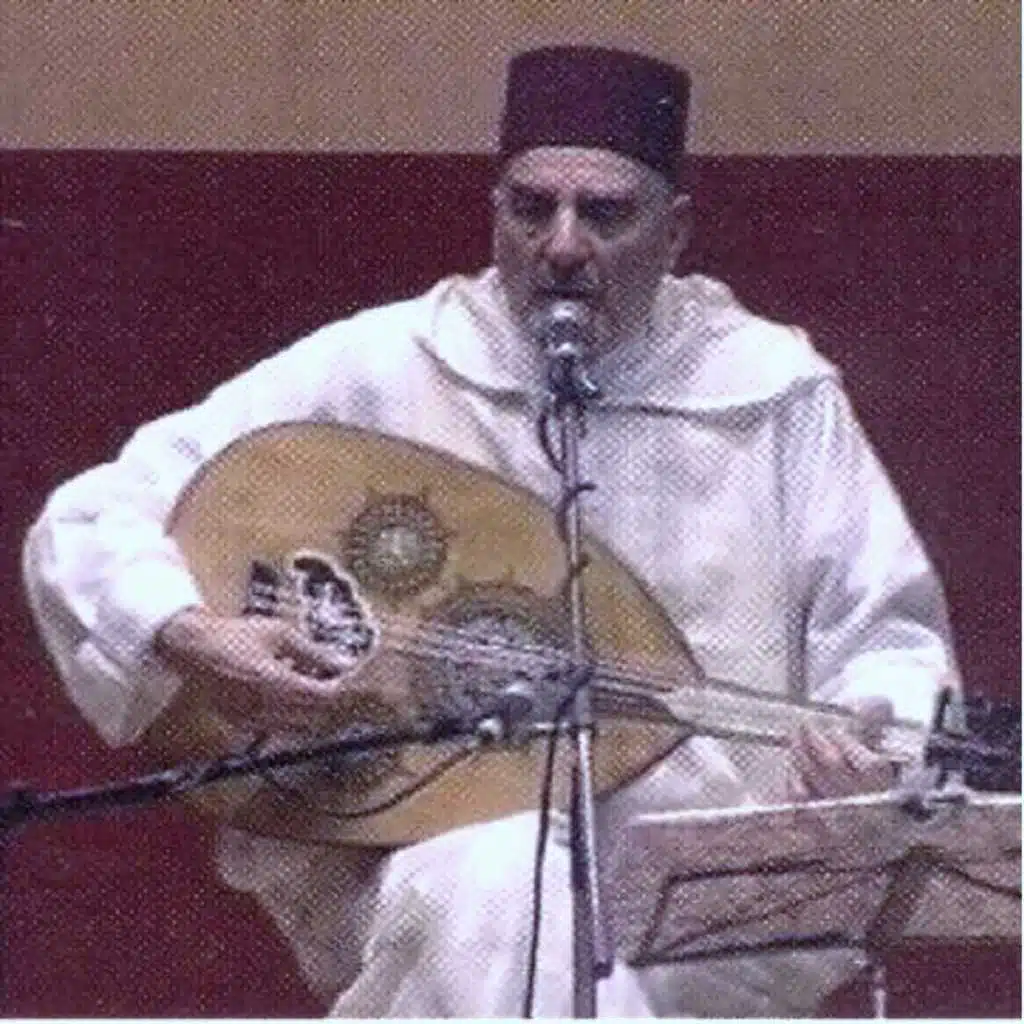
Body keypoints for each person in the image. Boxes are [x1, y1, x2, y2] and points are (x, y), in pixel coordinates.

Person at [22, 46, 957, 1017]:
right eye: (530, 208)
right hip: (447, 878)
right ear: (494, 211)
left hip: (700, 899)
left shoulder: (770, 394)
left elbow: (887, 641)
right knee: (498, 882)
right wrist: (185, 631)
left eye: (605, 214)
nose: (562, 246)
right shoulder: (390, 362)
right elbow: (90, 517)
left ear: (675, 231)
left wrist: (874, 750)